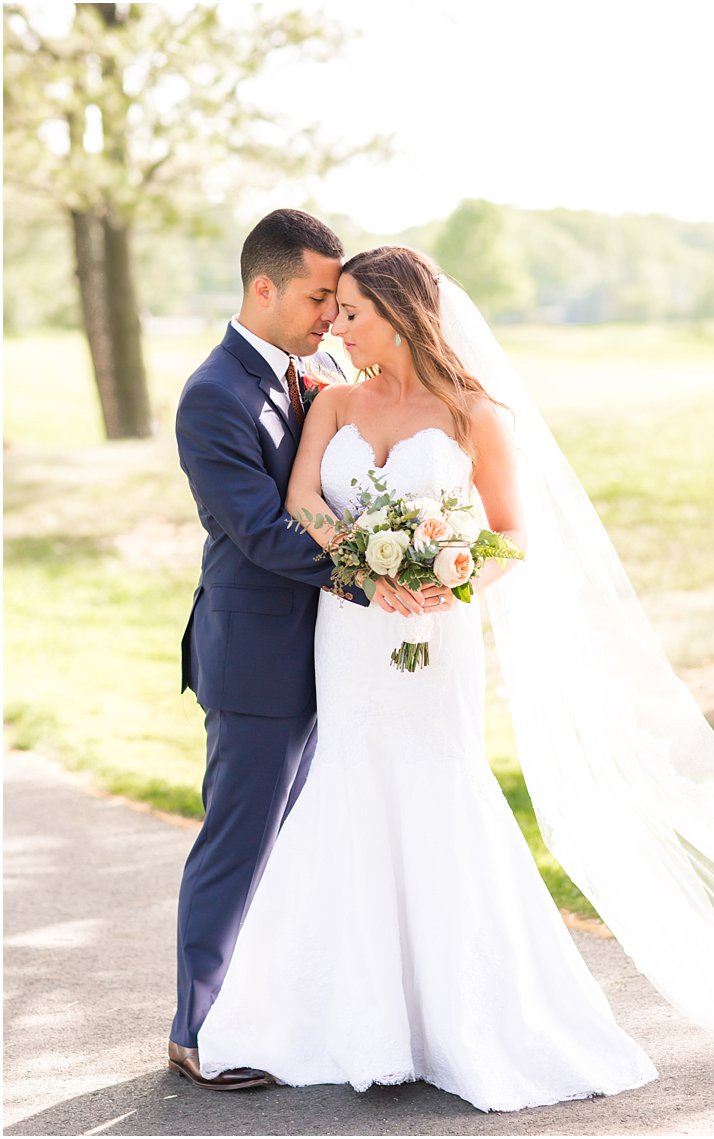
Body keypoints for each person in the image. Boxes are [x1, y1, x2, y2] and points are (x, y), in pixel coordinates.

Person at [193, 245, 714, 1111]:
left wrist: (447, 574)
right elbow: (302, 501)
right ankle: (359, 1019)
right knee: (352, 790)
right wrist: (364, 561)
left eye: (350, 312)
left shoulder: (475, 413)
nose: (336, 329)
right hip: (349, 629)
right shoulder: (331, 402)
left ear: (400, 314)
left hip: (434, 635)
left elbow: (511, 534)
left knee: (439, 790)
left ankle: (459, 1018)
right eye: (331, 310)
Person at [171, 210, 450, 1091]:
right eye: (319, 296)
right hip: (257, 657)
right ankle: (197, 1031)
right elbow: (257, 530)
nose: (332, 315)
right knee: (240, 843)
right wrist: (375, 577)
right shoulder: (213, 395)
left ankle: (283, 1012)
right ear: (265, 287)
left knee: (306, 850)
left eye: (341, 300)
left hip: (342, 656)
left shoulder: (317, 373)